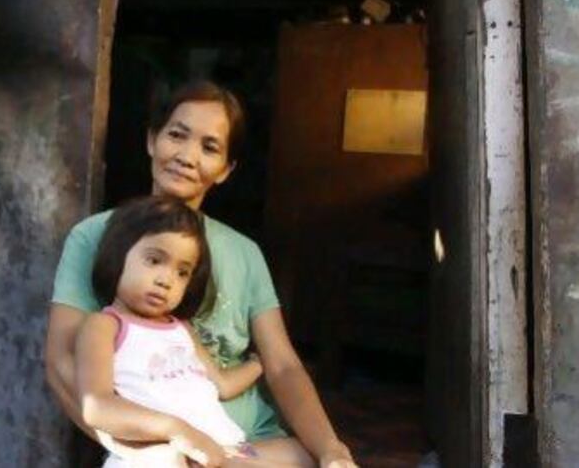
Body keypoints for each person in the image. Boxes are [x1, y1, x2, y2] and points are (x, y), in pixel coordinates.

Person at [45, 81, 358, 467]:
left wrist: (331, 450)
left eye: (209, 147)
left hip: (250, 444)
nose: (188, 156)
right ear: (151, 140)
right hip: (165, 445)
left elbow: (283, 366)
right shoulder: (95, 236)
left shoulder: (244, 253)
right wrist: (132, 446)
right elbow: (61, 361)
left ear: (226, 170)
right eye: (177, 135)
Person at [76, 195, 310, 467]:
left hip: (225, 450)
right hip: (163, 450)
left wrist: (259, 363)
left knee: (301, 453)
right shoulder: (104, 326)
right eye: (154, 260)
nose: (166, 280)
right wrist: (177, 430)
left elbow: (222, 385)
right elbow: (97, 406)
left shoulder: (181, 329)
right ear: (118, 255)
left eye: (182, 272)